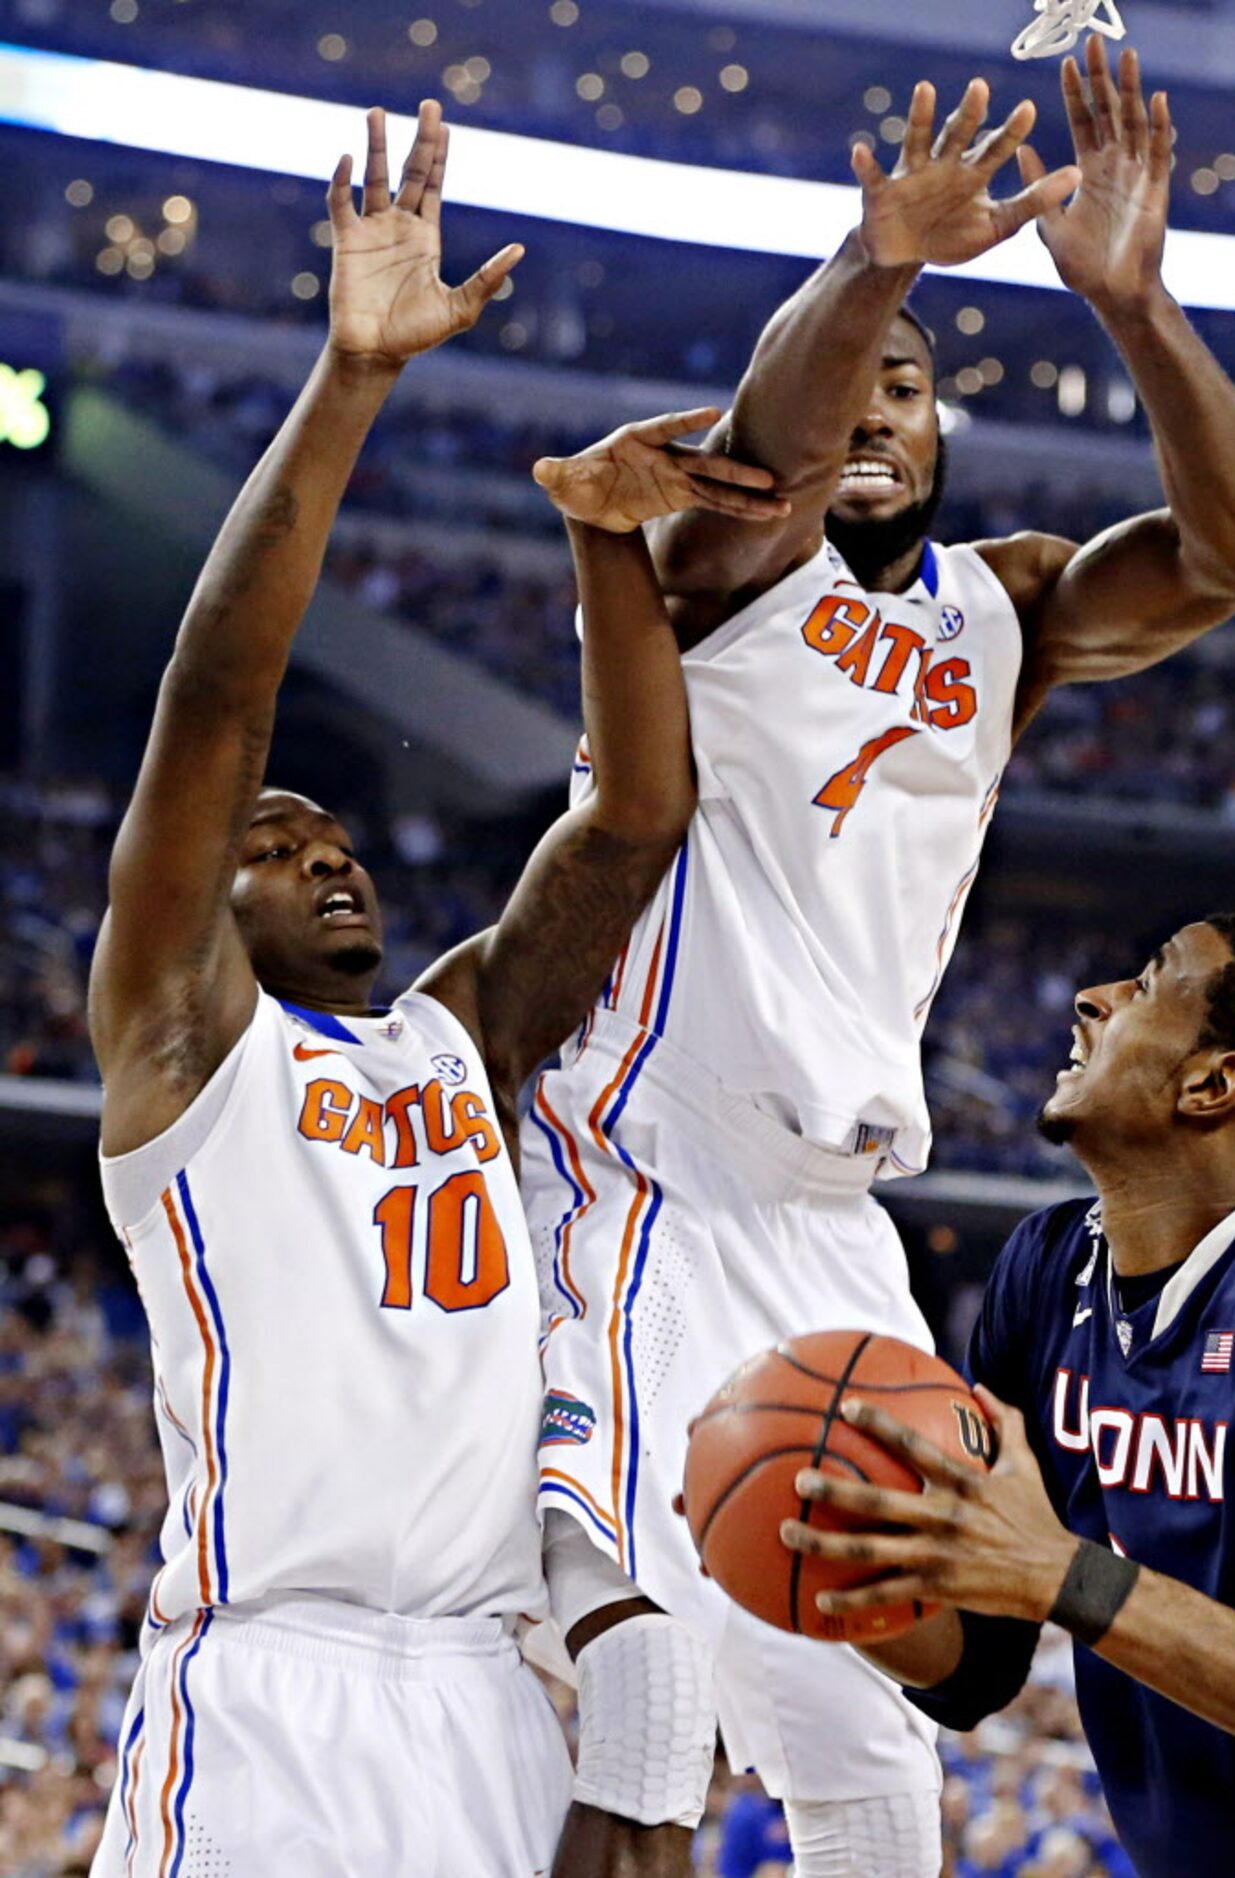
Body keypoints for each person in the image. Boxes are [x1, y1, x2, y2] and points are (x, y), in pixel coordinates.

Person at [522, 37, 1235, 1878]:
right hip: (651, 1189)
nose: (875, 407)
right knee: (648, 1705)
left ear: (951, 436)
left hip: (836, 1223)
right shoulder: (719, 559)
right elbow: (776, 440)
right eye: (852, 385)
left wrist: (1132, 299)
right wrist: (879, 266)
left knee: (874, 1755)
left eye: (913, 387)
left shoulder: (1004, 604)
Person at [85, 99, 785, 1878]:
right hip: (270, 1689)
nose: (331, 855)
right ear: (196, 898)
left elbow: (636, 820)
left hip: (484, 1694)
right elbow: (215, 696)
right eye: (276, 840)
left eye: (341, 839)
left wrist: (602, 543)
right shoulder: (184, 1051)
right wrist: (354, 378)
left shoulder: (451, 1037)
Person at [783, 913, 1235, 1878]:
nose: (1093, 999)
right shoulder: (1043, 1268)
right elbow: (978, 1663)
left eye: (1149, 984)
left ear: (1214, 1084)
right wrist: (816, 1558)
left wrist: (1067, 1576)